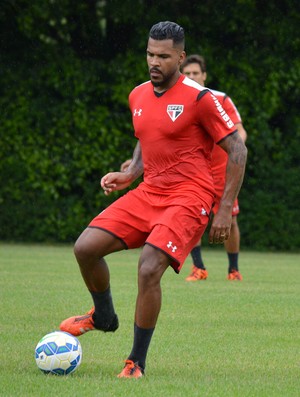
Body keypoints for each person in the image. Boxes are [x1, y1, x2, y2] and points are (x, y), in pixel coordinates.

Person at [59, 21, 247, 378]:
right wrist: (131, 174)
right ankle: (103, 316)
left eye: (163, 56)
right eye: (149, 54)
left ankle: (136, 361)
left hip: (190, 196)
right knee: (85, 248)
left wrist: (224, 208)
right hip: (149, 191)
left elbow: (237, 148)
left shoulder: (200, 98)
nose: (154, 62)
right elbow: (147, 136)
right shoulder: (138, 94)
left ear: (179, 55)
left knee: (148, 267)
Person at [181, 54, 247, 282]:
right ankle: (198, 267)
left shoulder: (220, 99)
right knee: (190, 218)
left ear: (204, 76)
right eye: (187, 73)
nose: (191, 77)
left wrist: (237, 150)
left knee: (230, 218)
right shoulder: (178, 101)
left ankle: (233, 270)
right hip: (193, 171)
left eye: (195, 73)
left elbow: (240, 132)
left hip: (221, 171)